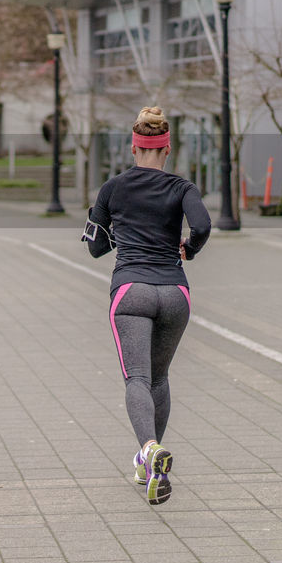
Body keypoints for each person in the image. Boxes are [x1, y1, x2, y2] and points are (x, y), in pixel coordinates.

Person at [83, 106, 211, 506]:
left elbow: (95, 247)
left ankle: (149, 449)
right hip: (175, 292)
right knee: (160, 378)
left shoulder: (113, 188)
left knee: (136, 378)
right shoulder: (182, 187)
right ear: (167, 149)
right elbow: (203, 225)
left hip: (131, 291)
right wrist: (187, 249)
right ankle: (148, 465)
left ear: (133, 147)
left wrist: (116, 232)